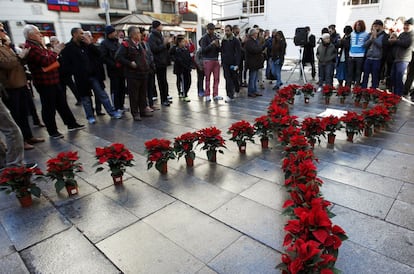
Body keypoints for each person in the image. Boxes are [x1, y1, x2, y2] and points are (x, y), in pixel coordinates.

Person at [24, 24, 84, 139]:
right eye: (37, 33)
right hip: (44, 81)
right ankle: (52, 131)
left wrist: (52, 53)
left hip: (53, 79)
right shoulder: (32, 48)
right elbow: (46, 61)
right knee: (48, 107)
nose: (40, 35)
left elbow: (49, 56)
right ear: (30, 35)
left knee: (62, 103)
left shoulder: (39, 45)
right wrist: (56, 51)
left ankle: (71, 123)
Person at [60, 28, 121, 125]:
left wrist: (90, 44)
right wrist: (75, 71)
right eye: (81, 33)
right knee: (86, 98)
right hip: (81, 77)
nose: (83, 35)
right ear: (74, 34)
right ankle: (90, 116)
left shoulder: (87, 45)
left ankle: (112, 112)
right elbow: (66, 64)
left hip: (94, 75)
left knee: (102, 94)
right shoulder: (68, 48)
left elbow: (99, 54)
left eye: (83, 33)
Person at [0, 30, 44, 150]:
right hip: (10, 86)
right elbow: (6, 64)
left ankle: (28, 136)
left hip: (21, 83)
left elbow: (19, 62)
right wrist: (20, 56)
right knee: (16, 115)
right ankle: (22, 141)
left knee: (24, 113)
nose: (4, 32)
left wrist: (24, 56)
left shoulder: (6, 46)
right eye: (1, 30)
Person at [116, 26, 153, 121]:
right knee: (134, 94)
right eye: (138, 33)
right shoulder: (125, 44)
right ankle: (135, 112)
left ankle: (143, 110)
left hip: (143, 72)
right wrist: (130, 63)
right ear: (133, 34)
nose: (140, 35)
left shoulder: (139, 44)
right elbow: (118, 57)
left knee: (142, 93)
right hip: (133, 74)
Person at [100, 25, 127, 114]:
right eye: (113, 32)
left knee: (122, 87)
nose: (115, 34)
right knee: (115, 89)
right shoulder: (104, 44)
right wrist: (114, 64)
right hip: (113, 70)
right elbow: (103, 57)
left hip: (122, 69)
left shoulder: (117, 42)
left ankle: (121, 105)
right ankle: (116, 106)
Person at [148, 20, 172, 107]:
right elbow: (154, 49)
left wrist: (168, 43)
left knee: (164, 81)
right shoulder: (152, 36)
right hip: (158, 62)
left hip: (163, 61)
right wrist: (164, 44)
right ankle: (163, 99)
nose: (162, 27)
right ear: (157, 26)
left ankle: (165, 97)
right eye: (161, 25)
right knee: (161, 81)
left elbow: (165, 48)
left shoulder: (160, 35)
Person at [389, 18, 414, 96]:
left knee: (399, 77)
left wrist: (395, 41)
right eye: (405, 25)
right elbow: (397, 42)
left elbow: (406, 44)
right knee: (393, 76)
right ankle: (395, 93)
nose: (406, 27)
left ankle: (398, 94)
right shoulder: (402, 34)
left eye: (408, 25)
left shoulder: (412, 35)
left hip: (404, 59)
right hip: (397, 58)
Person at [361, 20, 388, 88]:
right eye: (374, 26)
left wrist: (375, 38)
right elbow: (364, 45)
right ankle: (363, 90)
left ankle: (373, 90)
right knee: (365, 75)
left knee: (375, 76)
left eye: (377, 26)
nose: (375, 27)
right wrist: (370, 39)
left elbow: (382, 46)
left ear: (381, 27)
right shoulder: (369, 34)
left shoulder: (385, 35)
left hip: (377, 59)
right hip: (368, 58)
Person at [200, 23, 222, 102]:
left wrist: (217, 46)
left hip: (215, 59)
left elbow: (219, 50)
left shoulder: (215, 37)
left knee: (217, 78)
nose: (212, 31)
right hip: (208, 60)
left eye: (213, 29)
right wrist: (211, 44)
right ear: (207, 29)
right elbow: (203, 50)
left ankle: (215, 94)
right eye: (210, 29)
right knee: (208, 78)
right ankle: (207, 94)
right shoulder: (204, 38)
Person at [221, 24, 241, 102]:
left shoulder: (236, 40)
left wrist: (237, 64)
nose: (226, 32)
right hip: (226, 63)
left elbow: (238, 53)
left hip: (233, 63)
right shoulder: (224, 40)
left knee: (234, 78)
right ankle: (229, 95)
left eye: (228, 30)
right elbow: (222, 51)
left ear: (231, 30)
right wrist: (222, 61)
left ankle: (237, 89)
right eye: (225, 30)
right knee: (227, 79)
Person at [346, 20, 369, 87]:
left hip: (360, 55)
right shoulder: (352, 34)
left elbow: (366, 44)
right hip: (351, 54)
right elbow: (350, 43)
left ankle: (356, 88)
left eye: (359, 25)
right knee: (349, 72)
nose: (357, 27)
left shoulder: (366, 34)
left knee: (358, 72)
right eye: (356, 25)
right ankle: (347, 87)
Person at [244, 28, 264, 97]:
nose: (257, 34)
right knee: (252, 78)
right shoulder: (249, 42)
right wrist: (261, 48)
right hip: (252, 62)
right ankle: (250, 91)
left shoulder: (256, 41)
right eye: (256, 33)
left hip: (256, 62)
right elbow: (254, 50)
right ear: (252, 34)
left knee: (255, 78)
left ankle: (255, 90)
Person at [173, 36, 192, 102]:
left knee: (188, 81)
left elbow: (189, 58)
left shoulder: (186, 49)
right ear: (179, 43)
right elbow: (179, 60)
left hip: (187, 69)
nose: (184, 43)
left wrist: (190, 66)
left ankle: (184, 92)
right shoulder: (177, 50)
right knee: (182, 81)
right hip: (181, 69)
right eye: (183, 41)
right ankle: (184, 94)